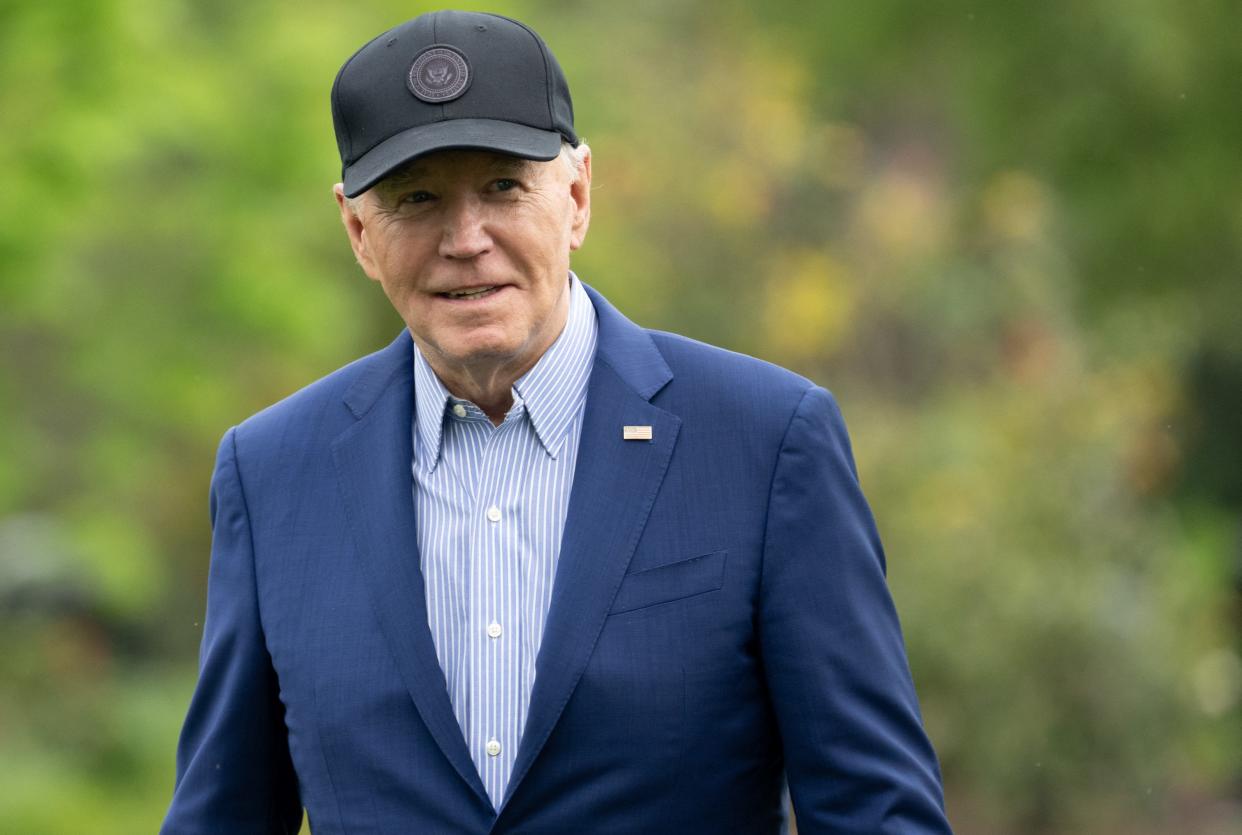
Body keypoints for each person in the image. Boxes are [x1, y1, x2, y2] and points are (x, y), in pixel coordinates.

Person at [162, 9, 952, 834]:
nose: (466, 239)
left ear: (575, 196)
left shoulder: (765, 442)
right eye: (417, 198)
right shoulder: (273, 471)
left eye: (503, 185)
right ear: (359, 231)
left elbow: (877, 814)